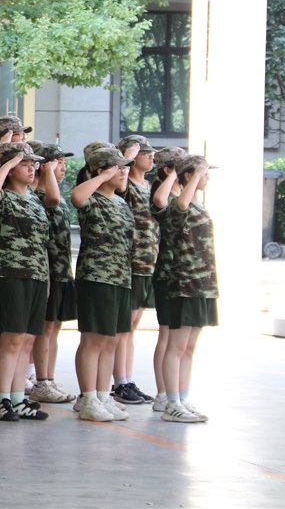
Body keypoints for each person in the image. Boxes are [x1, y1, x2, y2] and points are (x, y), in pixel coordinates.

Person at [0, 142, 52, 422]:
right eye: (25, 164)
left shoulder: (34, 199)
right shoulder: (5, 196)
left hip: (37, 274)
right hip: (11, 274)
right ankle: (2, 399)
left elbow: (52, 204)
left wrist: (46, 278)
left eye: (33, 164)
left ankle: (17, 397)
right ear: (10, 169)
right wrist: (9, 163)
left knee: (27, 341)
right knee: (11, 339)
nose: (31, 169)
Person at [70, 145, 135, 422]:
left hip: (120, 277)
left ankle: (102, 394)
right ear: (102, 171)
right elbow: (76, 197)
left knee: (111, 340)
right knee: (94, 339)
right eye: (117, 168)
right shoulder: (92, 198)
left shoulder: (121, 202)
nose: (124, 173)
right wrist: (102, 176)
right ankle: (87, 398)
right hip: (96, 276)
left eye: (125, 168)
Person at [155, 154, 218, 424]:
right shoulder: (176, 204)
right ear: (189, 176)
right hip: (183, 283)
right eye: (203, 173)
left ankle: (182, 397)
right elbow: (180, 204)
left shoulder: (199, 205)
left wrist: (197, 173)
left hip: (202, 284)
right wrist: (194, 174)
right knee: (177, 346)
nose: (208, 177)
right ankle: (171, 403)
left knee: (190, 347)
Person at [28, 141, 78, 404]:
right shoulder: (37, 195)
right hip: (46, 269)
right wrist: (47, 172)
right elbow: (53, 199)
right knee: (46, 327)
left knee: (55, 326)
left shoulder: (55, 193)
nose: (63, 168)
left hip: (61, 268)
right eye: (58, 163)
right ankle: (41, 381)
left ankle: (49, 377)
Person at [112, 135, 159, 406]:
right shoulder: (125, 183)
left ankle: (127, 379)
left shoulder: (149, 185)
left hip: (146, 260)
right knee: (124, 325)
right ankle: (120, 381)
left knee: (132, 326)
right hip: (130, 261)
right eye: (144, 153)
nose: (151, 157)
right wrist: (126, 157)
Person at [148, 146, 187, 411]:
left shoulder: (183, 192)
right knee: (166, 334)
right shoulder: (160, 191)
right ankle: (162, 393)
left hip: (185, 272)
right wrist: (173, 174)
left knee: (179, 338)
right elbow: (160, 202)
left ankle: (177, 392)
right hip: (167, 272)